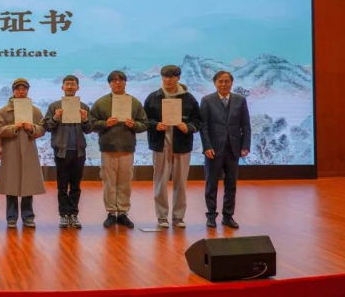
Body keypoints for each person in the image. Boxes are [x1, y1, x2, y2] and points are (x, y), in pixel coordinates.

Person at [144, 65, 201, 228]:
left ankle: (178, 216)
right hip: (160, 145)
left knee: (181, 183)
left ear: (178, 78)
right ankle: (162, 216)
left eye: (171, 77)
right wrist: (155, 125)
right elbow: (144, 120)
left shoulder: (189, 99)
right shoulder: (153, 97)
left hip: (182, 146)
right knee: (160, 182)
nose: (167, 80)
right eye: (164, 77)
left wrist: (187, 127)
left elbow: (198, 122)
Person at [90, 71, 148, 229]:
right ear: (109, 84)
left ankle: (122, 212)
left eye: (121, 80)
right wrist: (105, 123)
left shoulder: (134, 102)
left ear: (125, 83)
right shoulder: (101, 102)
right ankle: (110, 212)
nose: (117, 83)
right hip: (108, 147)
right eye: (114, 80)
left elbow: (144, 124)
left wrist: (134, 125)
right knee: (109, 182)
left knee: (125, 182)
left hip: (127, 148)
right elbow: (90, 124)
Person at [200, 71, 251, 229]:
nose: (224, 84)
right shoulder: (207, 100)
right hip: (213, 150)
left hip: (233, 149)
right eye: (220, 81)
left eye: (227, 81)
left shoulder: (240, 100)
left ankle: (228, 216)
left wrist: (245, 145)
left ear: (231, 83)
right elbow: (203, 127)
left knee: (231, 185)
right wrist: (207, 146)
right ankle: (211, 216)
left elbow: (246, 125)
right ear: (215, 83)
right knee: (211, 185)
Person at [44, 74, 94, 229]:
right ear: (62, 87)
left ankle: (74, 214)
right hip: (61, 151)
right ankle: (63, 215)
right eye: (67, 84)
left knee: (76, 185)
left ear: (78, 87)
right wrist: (56, 117)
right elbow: (47, 126)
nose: (70, 86)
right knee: (62, 185)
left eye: (73, 84)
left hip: (79, 151)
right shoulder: (54, 106)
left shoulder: (84, 107)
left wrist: (85, 119)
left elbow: (89, 129)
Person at [0, 78, 46, 228]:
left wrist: (32, 128)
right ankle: (11, 217)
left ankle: (28, 216)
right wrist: (14, 127)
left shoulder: (35, 111)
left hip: (29, 150)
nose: (21, 92)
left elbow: (43, 128)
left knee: (28, 184)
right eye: (18, 89)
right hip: (11, 150)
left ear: (28, 91)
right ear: (13, 91)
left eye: (24, 89)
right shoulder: (4, 111)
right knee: (11, 184)